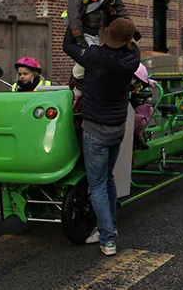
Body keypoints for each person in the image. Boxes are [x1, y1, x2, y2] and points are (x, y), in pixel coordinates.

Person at [63, 17, 140, 256]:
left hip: (95, 129)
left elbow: (68, 47)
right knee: (107, 179)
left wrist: (73, 20)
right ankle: (110, 228)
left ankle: (107, 239)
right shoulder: (132, 58)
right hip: (117, 128)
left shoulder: (96, 56)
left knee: (97, 184)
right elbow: (131, 44)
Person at [62, 0, 139, 100]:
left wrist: (131, 28)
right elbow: (74, 15)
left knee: (101, 61)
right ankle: (76, 81)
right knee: (89, 58)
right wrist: (78, 37)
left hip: (101, 31)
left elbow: (121, 9)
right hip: (83, 31)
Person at [130, 63, 156, 150]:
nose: (138, 86)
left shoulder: (134, 87)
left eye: (139, 83)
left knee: (148, 109)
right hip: (122, 115)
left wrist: (148, 82)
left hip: (131, 111)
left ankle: (136, 137)